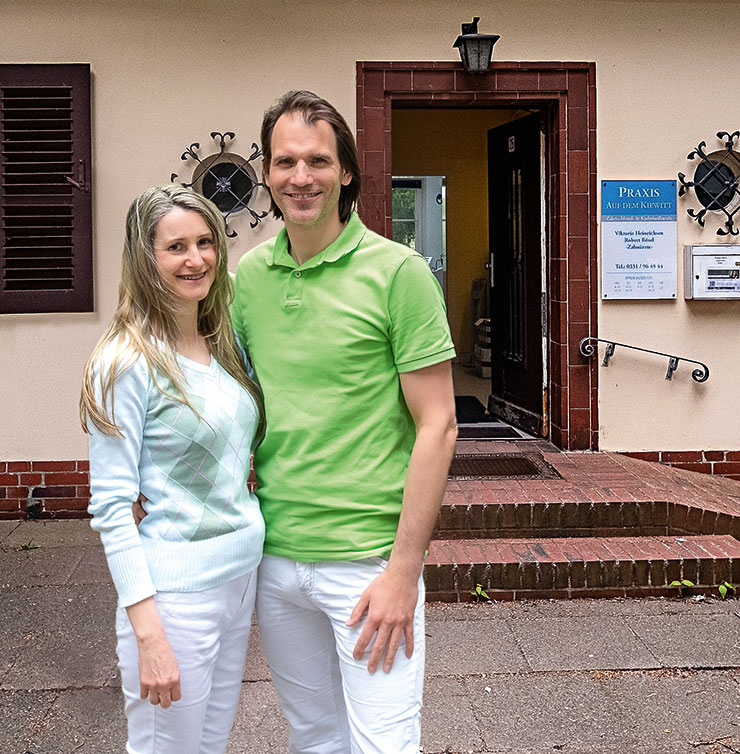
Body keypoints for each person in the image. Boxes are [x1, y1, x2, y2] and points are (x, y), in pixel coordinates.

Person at [232, 90, 458, 753]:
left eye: (318, 161)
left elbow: (438, 425)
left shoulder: (398, 274)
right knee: (315, 740)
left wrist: (401, 572)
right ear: (268, 173)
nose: (301, 178)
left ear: (347, 172)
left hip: (367, 564)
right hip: (277, 559)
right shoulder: (249, 278)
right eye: (285, 162)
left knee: (383, 743)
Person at [79, 185, 265, 754]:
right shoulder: (124, 363)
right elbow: (111, 507)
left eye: (206, 242)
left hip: (239, 580)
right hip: (176, 598)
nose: (196, 259)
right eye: (176, 247)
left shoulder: (224, 343)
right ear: (145, 258)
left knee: (208, 747)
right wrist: (148, 634)